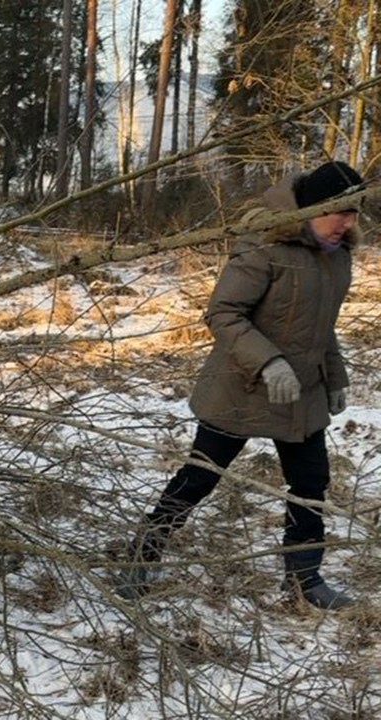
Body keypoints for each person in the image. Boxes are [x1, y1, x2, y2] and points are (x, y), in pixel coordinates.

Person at [116, 160, 366, 610]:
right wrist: (268, 362)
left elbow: (322, 327)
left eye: (354, 213)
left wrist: (336, 378)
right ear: (310, 209)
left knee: (311, 483)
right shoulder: (264, 246)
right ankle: (141, 554)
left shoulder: (338, 258)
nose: (348, 223)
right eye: (340, 211)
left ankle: (304, 578)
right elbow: (224, 313)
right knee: (199, 477)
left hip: (302, 392)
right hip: (241, 385)